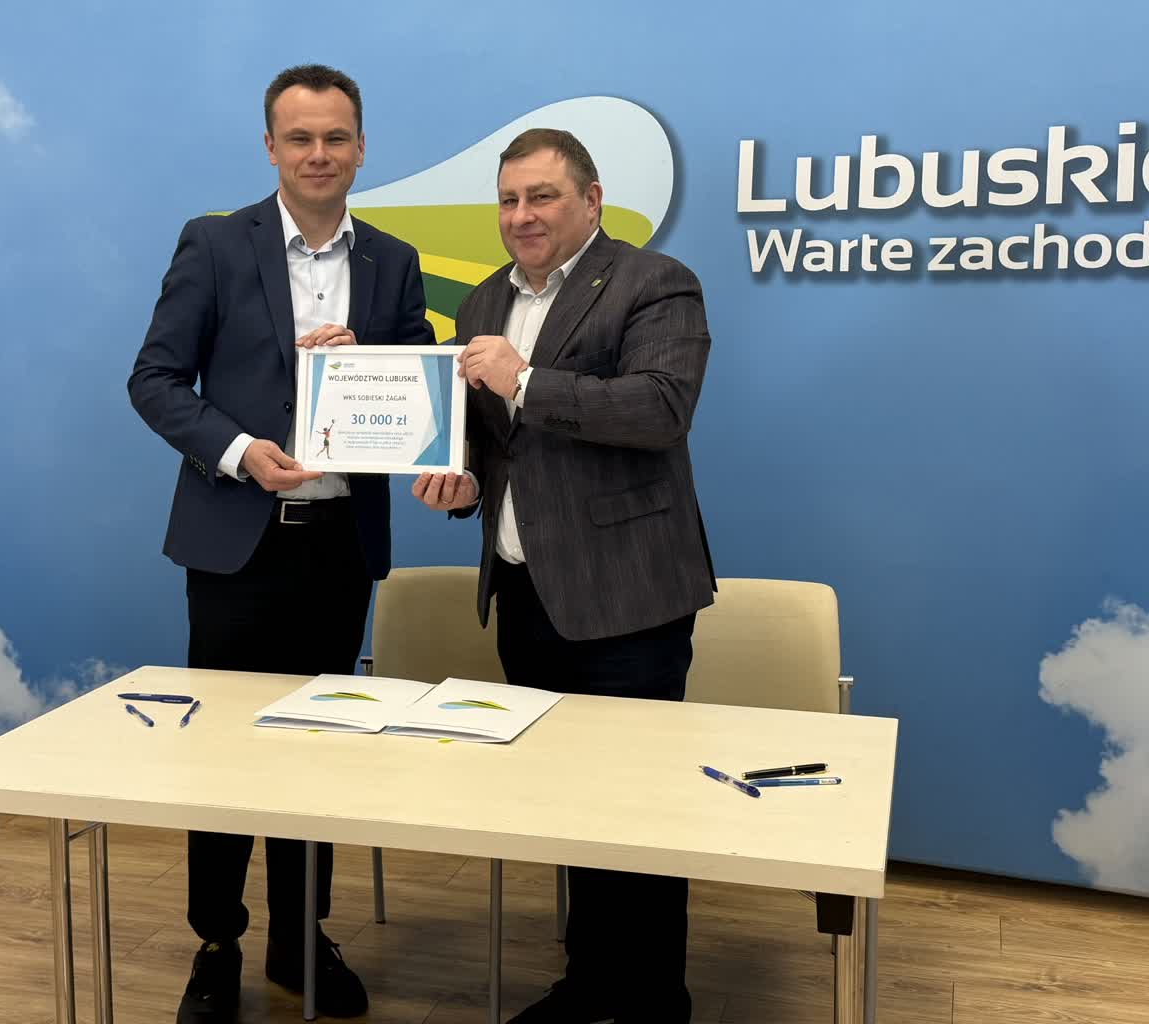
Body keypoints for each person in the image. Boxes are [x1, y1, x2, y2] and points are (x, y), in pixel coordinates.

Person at [129, 63, 434, 1023]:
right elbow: (155, 380)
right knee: (223, 756)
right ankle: (216, 941)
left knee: (319, 751)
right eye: (299, 138)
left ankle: (302, 940)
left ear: (361, 147)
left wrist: (373, 364)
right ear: (270, 147)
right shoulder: (216, 243)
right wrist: (238, 452)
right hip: (236, 545)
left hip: (339, 547)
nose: (317, 154)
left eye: (335, 137)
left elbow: (417, 387)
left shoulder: (393, 259)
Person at [413, 128, 715, 1024]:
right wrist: (462, 486)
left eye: (541, 196)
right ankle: (590, 986)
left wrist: (525, 380)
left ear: (591, 199)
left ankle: (652, 1001)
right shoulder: (480, 301)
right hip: (525, 596)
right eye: (508, 200)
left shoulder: (654, 282)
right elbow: (494, 447)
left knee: (638, 812)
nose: (522, 216)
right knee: (570, 807)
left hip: (628, 598)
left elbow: (660, 409)